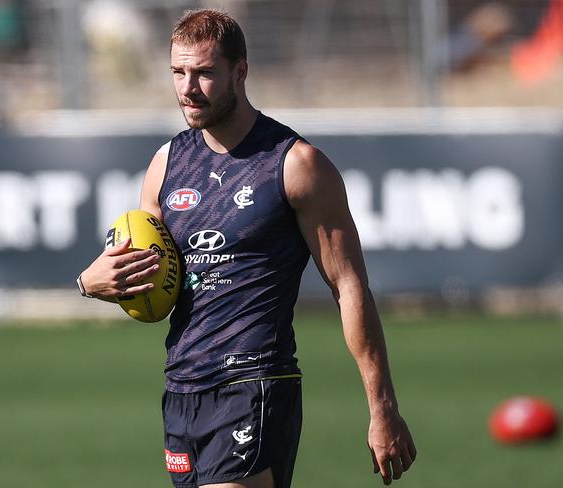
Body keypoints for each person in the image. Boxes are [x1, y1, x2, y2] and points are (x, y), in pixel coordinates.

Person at [78, 9, 416, 488]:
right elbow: (147, 278)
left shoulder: (295, 165)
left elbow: (349, 286)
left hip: (255, 384)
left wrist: (382, 409)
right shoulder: (165, 164)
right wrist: (92, 283)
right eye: (178, 72)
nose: (188, 88)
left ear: (240, 71)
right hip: (182, 388)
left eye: (204, 73)